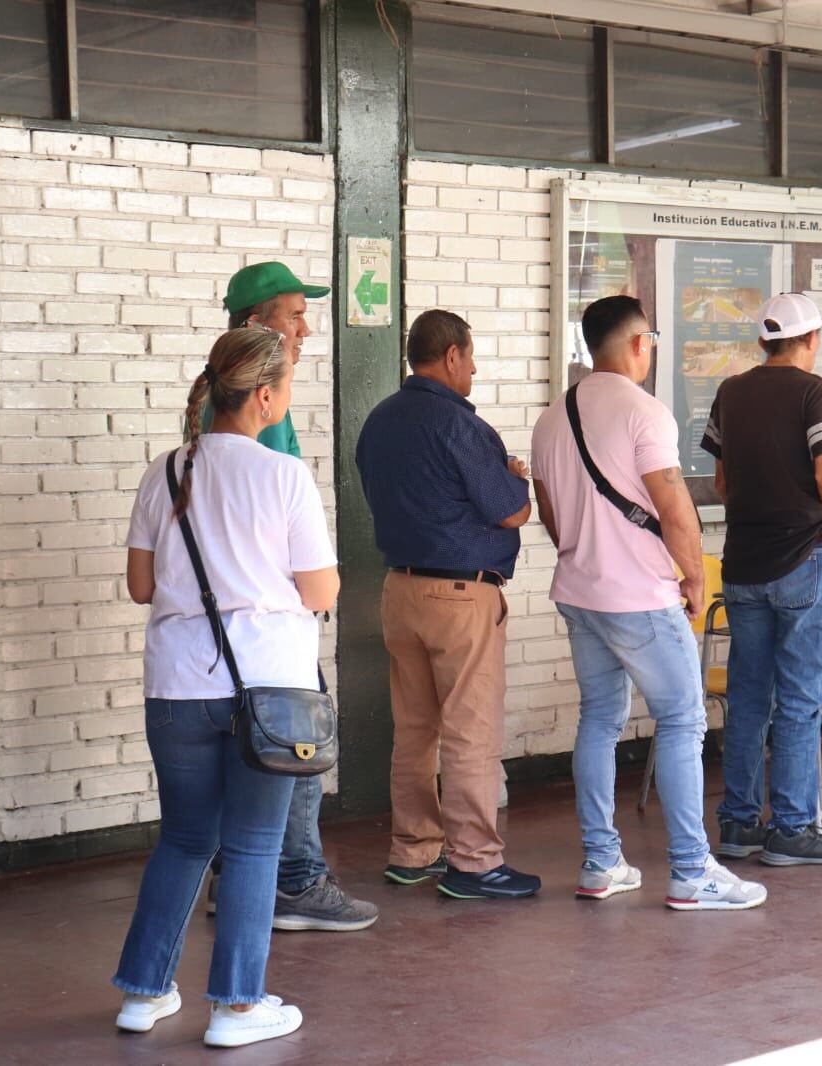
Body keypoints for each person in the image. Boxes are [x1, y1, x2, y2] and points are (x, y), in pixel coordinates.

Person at [113, 326, 330, 1049]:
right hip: (268, 691)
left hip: (175, 686)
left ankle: (143, 993)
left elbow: (141, 586)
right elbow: (321, 590)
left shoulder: (165, 472)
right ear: (264, 396)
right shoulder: (284, 476)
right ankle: (237, 1008)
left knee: (183, 840)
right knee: (254, 846)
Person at [531, 295, 766, 911]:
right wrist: (694, 577)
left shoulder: (552, 418)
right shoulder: (645, 412)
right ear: (640, 344)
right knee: (683, 719)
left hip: (578, 591)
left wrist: (586, 554)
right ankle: (691, 871)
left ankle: (601, 861)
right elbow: (674, 507)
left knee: (599, 720)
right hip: (639, 595)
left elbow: (550, 512)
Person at [200, 261, 377, 933]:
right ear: (257, 324)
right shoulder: (260, 414)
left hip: (225, 636)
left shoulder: (214, 410)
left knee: (248, 755)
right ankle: (297, 880)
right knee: (297, 751)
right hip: (273, 631)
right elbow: (284, 542)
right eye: (295, 315)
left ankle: (235, 874)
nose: (307, 328)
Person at [356, 309, 541, 900]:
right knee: (470, 731)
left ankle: (413, 852)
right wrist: (515, 476)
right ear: (453, 355)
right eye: (471, 356)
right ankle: (475, 863)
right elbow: (511, 512)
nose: (475, 369)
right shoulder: (460, 425)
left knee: (415, 730)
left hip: (401, 590)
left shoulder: (379, 420)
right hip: (459, 598)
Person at [705, 292, 822, 867]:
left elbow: (721, 482)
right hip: (800, 560)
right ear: (811, 339)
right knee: (800, 700)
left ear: (764, 341)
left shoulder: (730, 391)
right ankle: (791, 828)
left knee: (748, 698)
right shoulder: (813, 391)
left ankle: (739, 823)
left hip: (742, 563)